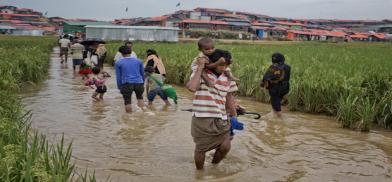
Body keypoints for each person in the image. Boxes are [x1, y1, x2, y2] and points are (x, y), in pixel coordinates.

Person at [186, 48, 242, 170]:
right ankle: (199, 174)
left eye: (226, 65)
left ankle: (214, 167)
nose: (223, 68)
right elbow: (192, 87)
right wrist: (200, 69)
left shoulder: (228, 77)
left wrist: (234, 116)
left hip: (221, 117)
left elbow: (229, 98)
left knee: (225, 146)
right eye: (221, 64)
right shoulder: (202, 73)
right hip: (202, 118)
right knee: (201, 149)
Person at [115, 46, 145, 113]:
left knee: (127, 101)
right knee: (140, 98)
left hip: (126, 83)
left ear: (121, 53)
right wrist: (143, 82)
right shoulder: (139, 61)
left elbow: (118, 76)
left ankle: (129, 117)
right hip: (139, 82)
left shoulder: (118, 63)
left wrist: (119, 87)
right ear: (131, 52)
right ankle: (142, 113)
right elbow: (142, 73)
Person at [261, 52, 291, 118]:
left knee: (277, 107)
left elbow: (266, 78)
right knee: (276, 104)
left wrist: (264, 86)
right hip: (285, 88)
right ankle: (273, 116)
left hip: (275, 89)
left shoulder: (273, 67)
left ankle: (280, 123)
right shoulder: (288, 67)